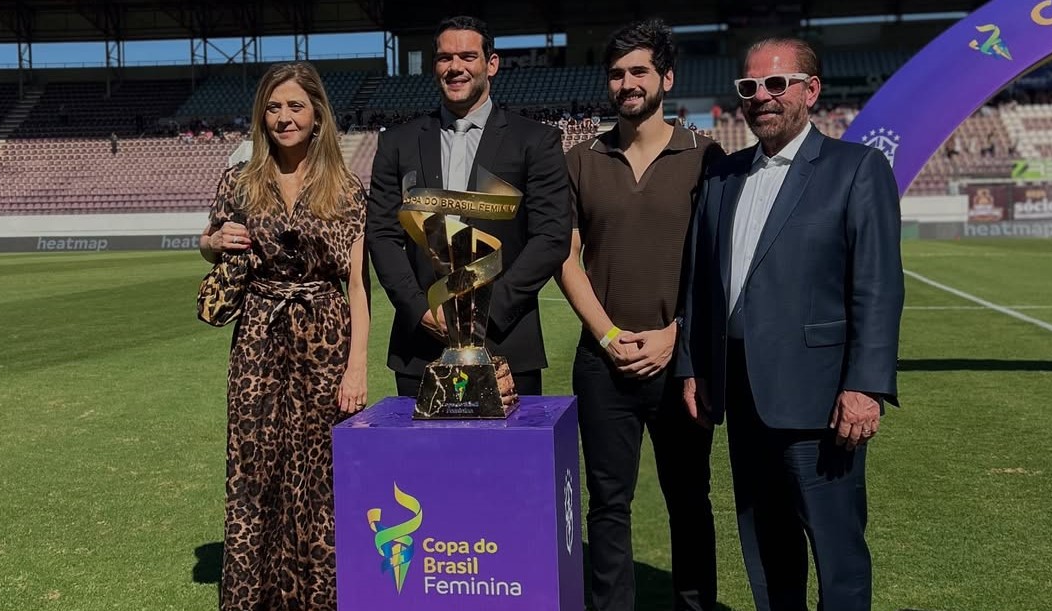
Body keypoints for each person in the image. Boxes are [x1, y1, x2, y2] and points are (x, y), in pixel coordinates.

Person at [677, 37, 904, 610]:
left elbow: (877, 287)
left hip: (821, 401)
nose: (762, 96)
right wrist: (692, 368)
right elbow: (699, 286)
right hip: (741, 395)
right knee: (766, 547)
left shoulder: (856, 168)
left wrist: (865, 385)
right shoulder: (722, 177)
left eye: (777, 83)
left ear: (811, 90)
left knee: (836, 551)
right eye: (749, 86)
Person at [556, 19, 725, 611]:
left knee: (690, 500)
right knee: (608, 505)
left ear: (666, 79)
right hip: (603, 363)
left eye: (639, 71)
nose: (627, 83)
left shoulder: (706, 156)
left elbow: (717, 263)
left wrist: (677, 334)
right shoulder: (580, 160)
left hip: (681, 363)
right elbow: (565, 258)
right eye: (616, 73)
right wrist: (607, 335)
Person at [197, 61, 370, 611]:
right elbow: (209, 242)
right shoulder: (238, 180)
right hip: (258, 336)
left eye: (296, 105)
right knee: (254, 467)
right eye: (273, 107)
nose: (284, 117)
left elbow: (358, 286)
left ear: (318, 114)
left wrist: (357, 366)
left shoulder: (346, 188)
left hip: (325, 336)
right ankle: (254, 597)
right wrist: (212, 242)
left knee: (320, 472)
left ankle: (320, 597)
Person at [367, 15, 570, 397]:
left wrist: (485, 311)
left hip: (506, 344)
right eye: (445, 58)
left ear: (491, 64)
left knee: (508, 442)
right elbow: (382, 236)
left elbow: (551, 238)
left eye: (467, 56)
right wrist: (419, 309)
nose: (455, 67)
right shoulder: (397, 143)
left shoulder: (535, 141)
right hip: (421, 348)